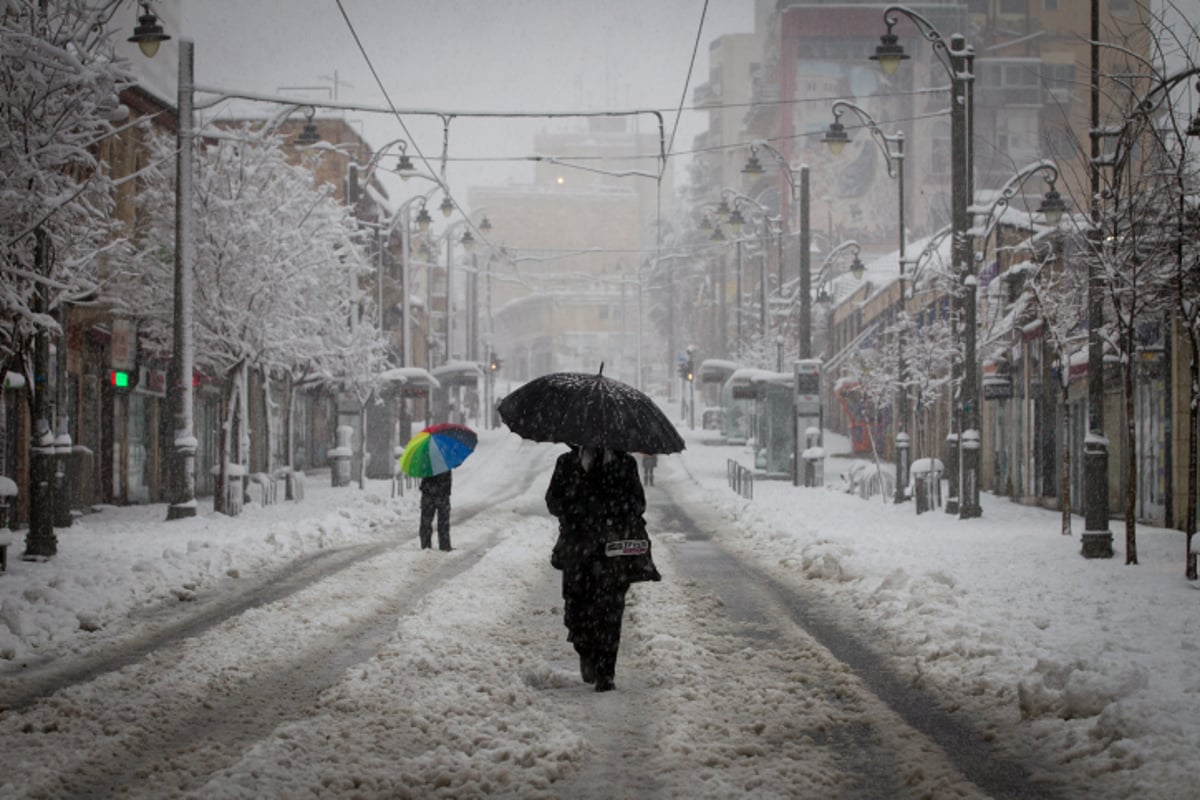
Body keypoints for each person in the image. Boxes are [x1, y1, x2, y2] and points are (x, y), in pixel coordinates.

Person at [545, 445, 660, 692]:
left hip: (613, 554)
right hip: (577, 552)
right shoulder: (566, 462)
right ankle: (586, 652)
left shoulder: (624, 463)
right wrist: (577, 507)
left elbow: (638, 504)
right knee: (575, 609)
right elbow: (553, 502)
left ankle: (606, 672)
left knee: (610, 611)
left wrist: (612, 510)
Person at [419, 470, 453, 551]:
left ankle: (425, 544)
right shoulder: (445, 460)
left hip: (428, 492)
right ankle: (444, 545)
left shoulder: (426, 461)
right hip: (443, 492)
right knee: (443, 521)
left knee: (426, 520)